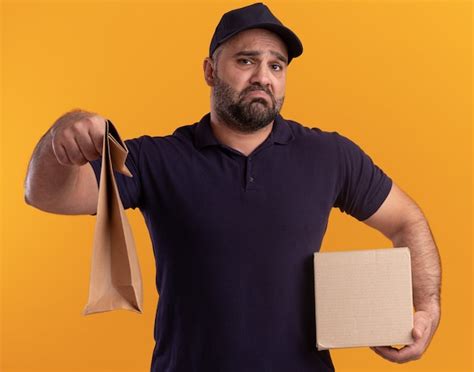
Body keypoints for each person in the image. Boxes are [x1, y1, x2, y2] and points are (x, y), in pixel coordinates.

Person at [24, 3, 441, 371]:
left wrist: (427, 308)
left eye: (276, 66)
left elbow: (407, 221)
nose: (263, 77)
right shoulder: (156, 159)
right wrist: (62, 139)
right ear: (210, 70)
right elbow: (45, 194)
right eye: (246, 61)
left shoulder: (330, 155)